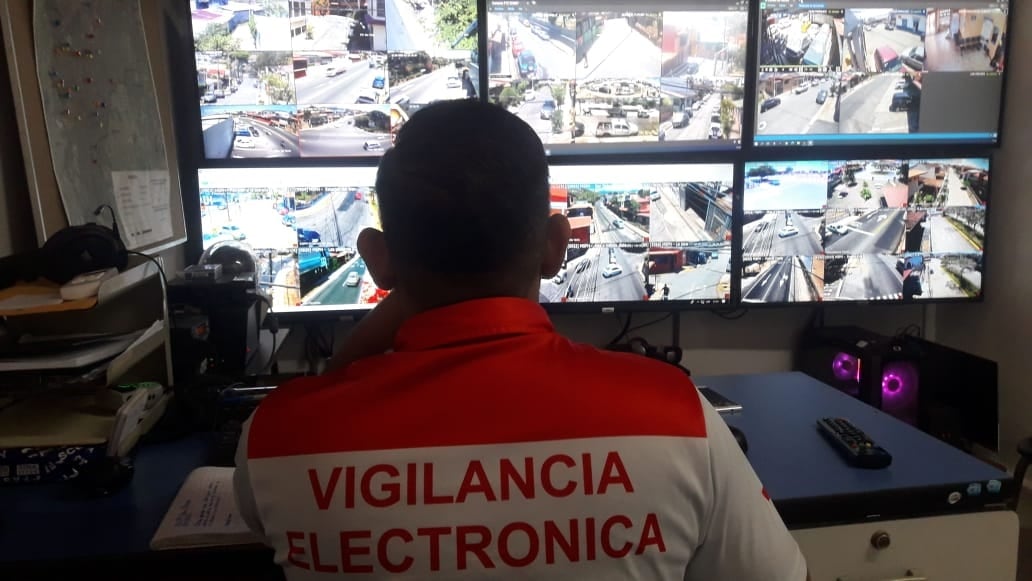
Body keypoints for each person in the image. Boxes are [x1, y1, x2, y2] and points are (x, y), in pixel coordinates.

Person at [234, 100, 809, 580]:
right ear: (558, 246)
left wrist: (372, 327)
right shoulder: (679, 416)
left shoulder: (277, 437)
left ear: (378, 262)